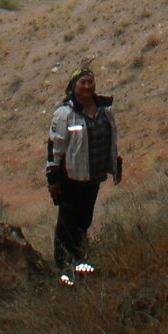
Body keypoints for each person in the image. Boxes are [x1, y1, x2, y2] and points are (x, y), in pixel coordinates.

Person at [45, 66, 122, 282]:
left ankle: (79, 264)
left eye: (90, 82)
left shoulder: (105, 110)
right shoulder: (64, 114)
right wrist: (53, 177)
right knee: (67, 226)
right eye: (83, 82)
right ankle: (63, 270)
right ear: (73, 86)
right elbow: (55, 147)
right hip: (71, 180)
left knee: (84, 223)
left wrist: (115, 164)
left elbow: (110, 139)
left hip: (93, 178)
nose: (87, 86)